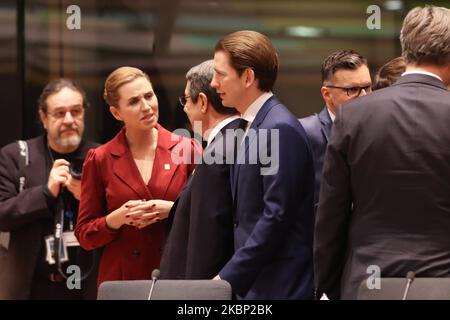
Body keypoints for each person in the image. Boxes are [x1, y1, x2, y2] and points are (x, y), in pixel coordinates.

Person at [314, 5, 450, 300]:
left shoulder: (353, 115)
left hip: (367, 281)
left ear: (406, 46)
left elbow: (331, 214)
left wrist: (328, 285)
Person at [210, 30, 315, 299]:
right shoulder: (256, 122)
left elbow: (276, 216)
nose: (213, 83)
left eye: (221, 74)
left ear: (248, 77)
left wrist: (229, 276)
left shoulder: (279, 127)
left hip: (279, 287)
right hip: (259, 284)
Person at [75, 67, 198, 287]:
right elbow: (85, 234)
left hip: (174, 275)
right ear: (116, 113)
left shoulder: (187, 149)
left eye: (149, 96)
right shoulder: (100, 158)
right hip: (122, 279)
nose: (146, 107)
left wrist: (171, 210)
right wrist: (117, 219)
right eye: (133, 102)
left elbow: (209, 217)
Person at [0, 78, 99, 299]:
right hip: (31, 287)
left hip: (86, 287)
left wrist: (88, 199)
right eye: (59, 113)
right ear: (44, 117)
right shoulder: (16, 156)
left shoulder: (101, 156)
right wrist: (45, 192)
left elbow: (118, 218)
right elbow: (2, 215)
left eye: (76, 111)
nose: (69, 120)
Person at [160, 60, 239, 280]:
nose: (184, 107)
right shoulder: (243, 138)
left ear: (202, 102)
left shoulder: (218, 154)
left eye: (186, 99)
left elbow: (207, 238)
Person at [299, 50, 371, 208]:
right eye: (352, 90)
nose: (364, 96)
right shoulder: (305, 133)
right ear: (327, 94)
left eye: (368, 87)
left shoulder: (380, 130)